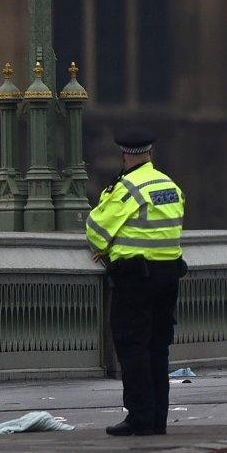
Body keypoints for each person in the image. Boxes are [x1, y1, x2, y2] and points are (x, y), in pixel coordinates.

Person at [86, 128, 187, 436]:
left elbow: (96, 231)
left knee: (133, 346)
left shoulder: (128, 189)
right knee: (158, 348)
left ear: (124, 154)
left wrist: (104, 245)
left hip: (135, 278)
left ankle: (139, 416)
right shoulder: (170, 186)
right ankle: (158, 418)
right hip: (169, 275)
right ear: (150, 153)